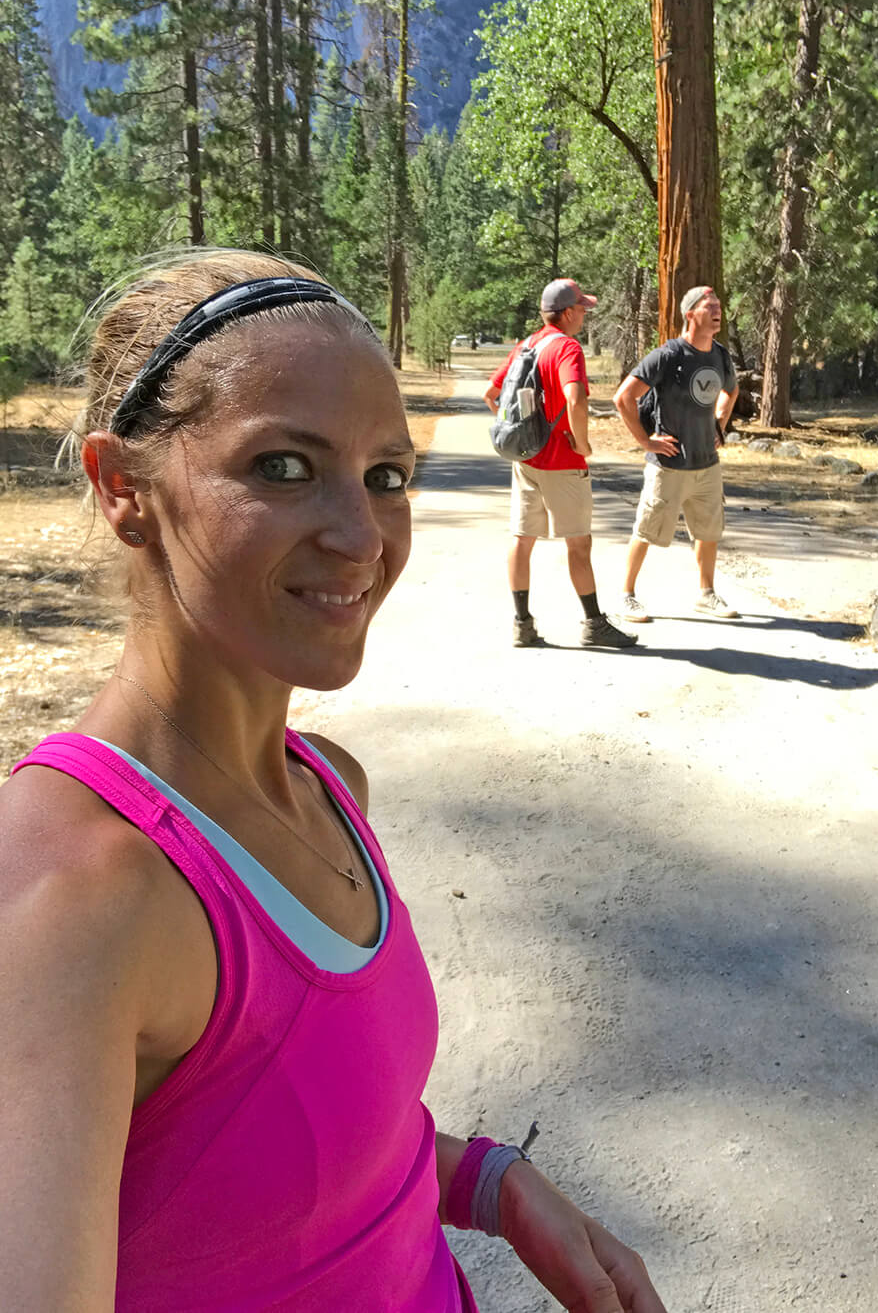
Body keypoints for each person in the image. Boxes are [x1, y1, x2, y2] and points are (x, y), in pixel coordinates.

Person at [0, 250, 667, 1312]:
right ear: (123, 487)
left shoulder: (326, 783)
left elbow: (288, 1139)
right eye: (281, 466)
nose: (361, 535)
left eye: (386, 475)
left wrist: (485, 1178)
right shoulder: (70, 895)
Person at [484, 278, 637, 650]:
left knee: (522, 540)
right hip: (563, 465)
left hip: (526, 460)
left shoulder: (528, 345)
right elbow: (576, 399)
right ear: (567, 312)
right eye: (582, 308)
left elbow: (491, 395)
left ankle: (522, 623)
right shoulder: (567, 348)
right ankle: (594, 624)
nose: (585, 314)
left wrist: (522, 435)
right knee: (578, 545)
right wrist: (581, 443)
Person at [613, 285, 741, 622]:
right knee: (646, 530)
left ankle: (706, 594)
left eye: (718, 305)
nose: (717, 311)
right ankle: (626, 595)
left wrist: (719, 423)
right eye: (709, 306)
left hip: (706, 466)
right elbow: (623, 397)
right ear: (690, 314)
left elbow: (731, 388)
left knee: (708, 531)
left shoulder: (720, 355)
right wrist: (645, 441)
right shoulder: (669, 356)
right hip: (668, 465)